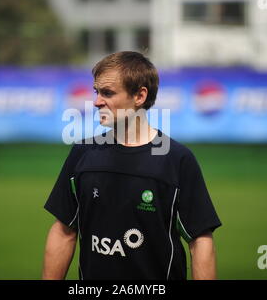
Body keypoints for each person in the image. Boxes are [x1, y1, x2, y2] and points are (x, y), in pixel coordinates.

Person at [42, 51, 222, 280]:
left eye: (107, 93)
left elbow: (200, 241)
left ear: (139, 96)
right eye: (97, 92)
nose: (97, 101)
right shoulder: (82, 154)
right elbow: (64, 231)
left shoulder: (177, 160)